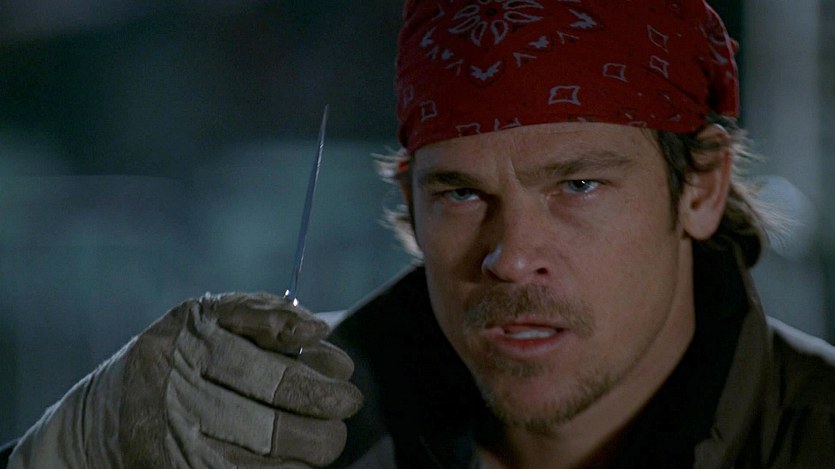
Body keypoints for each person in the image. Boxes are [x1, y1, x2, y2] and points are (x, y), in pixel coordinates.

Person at [3, 0, 835, 467]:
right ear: (408, 202)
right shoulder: (274, 427)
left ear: (700, 185)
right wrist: (71, 452)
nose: (510, 256)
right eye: (462, 193)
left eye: (577, 185)